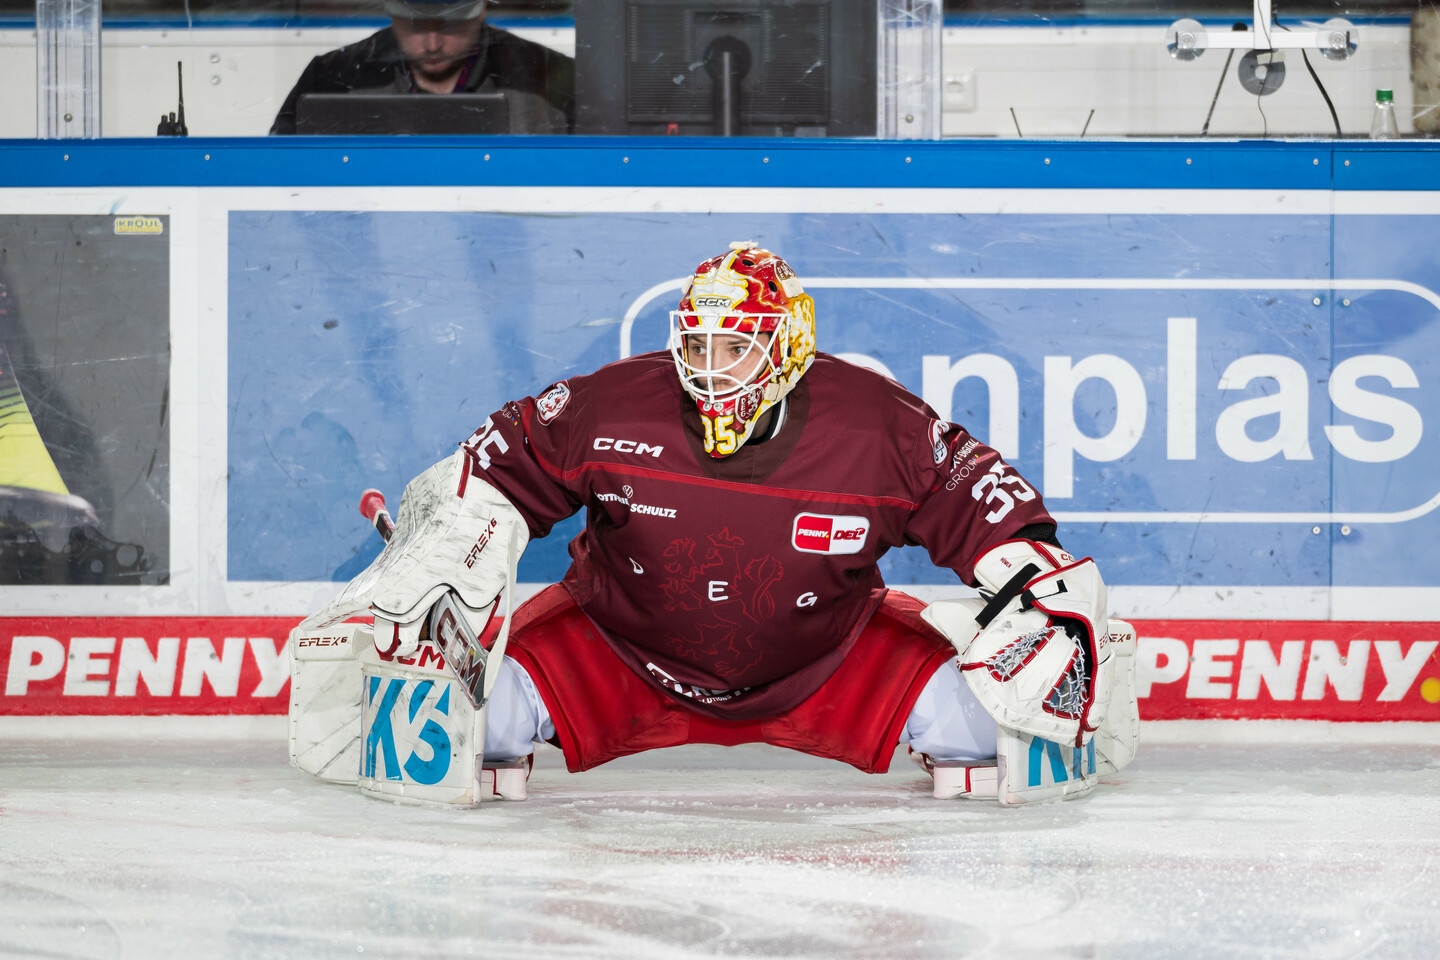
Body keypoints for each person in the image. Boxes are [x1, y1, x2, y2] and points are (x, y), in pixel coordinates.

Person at [292, 242, 1138, 805]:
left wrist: (1037, 574)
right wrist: (448, 536)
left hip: (828, 661)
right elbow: (493, 468)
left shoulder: (877, 423)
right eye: (695, 345)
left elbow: (982, 500)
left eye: (734, 347)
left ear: (789, 348)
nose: (708, 368)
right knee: (453, 722)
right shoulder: (611, 403)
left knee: (1006, 723)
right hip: (618, 649)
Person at [269, 0, 573, 135]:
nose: (432, 44)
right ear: (391, 13)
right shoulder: (332, 76)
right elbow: (281, 173)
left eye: (450, 25)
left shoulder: (547, 78)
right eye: (415, 24)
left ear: (481, 9)